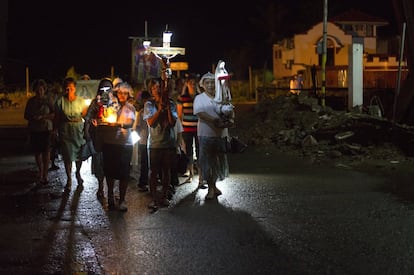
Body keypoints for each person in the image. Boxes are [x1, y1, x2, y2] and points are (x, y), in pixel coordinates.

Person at [193, 72, 234, 200]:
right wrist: (215, 120)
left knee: (217, 162)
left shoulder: (222, 97)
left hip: (220, 135)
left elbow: (230, 110)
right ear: (203, 85)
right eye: (207, 83)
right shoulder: (200, 98)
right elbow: (200, 113)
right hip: (206, 135)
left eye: (212, 82)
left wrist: (231, 120)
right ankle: (210, 187)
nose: (210, 85)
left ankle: (214, 185)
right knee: (208, 162)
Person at [99, 82, 136, 211]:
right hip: (110, 142)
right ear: (116, 93)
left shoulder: (130, 108)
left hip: (125, 143)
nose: (122, 95)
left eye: (125, 93)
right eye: (120, 93)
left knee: (124, 173)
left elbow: (130, 123)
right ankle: (110, 196)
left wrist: (119, 125)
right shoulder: (110, 106)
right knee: (109, 172)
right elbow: (103, 118)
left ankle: (122, 199)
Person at [144, 77, 178, 210]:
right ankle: (153, 198)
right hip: (154, 143)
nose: (156, 89)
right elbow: (151, 122)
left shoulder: (171, 103)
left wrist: (167, 108)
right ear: (151, 90)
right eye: (153, 88)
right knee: (153, 172)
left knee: (166, 171)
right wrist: (159, 110)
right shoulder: (149, 104)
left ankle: (164, 196)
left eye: (159, 87)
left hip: (168, 143)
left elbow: (172, 122)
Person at [54, 77, 88, 188]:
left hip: (78, 131)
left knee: (79, 155)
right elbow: (57, 117)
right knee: (68, 156)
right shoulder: (60, 101)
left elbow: (85, 115)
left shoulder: (81, 101)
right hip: (65, 131)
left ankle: (78, 172)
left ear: (75, 88)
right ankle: (69, 179)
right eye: (67, 89)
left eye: (71, 88)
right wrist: (55, 130)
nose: (69, 91)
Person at [84, 78, 113, 200]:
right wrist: (87, 131)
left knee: (112, 165)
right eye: (103, 88)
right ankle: (101, 187)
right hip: (98, 138)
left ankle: (111, 192)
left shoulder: (114, 102)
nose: (105, 91)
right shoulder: (95, 103)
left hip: (112, 138)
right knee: (99, 163)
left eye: (108, 88)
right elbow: (88, 118)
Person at [24, 79, 55, 184]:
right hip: (35, 129)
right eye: (37, 90)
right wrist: (33, 117)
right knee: (37, 152)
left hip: (46, 129)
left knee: (46, 152)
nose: (39, 92)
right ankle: (40, 171)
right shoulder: (31, 102)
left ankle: (45, 174)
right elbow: (26, 115)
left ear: (44, 90)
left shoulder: (48, 100)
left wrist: (44, 117)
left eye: (41, 90)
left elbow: (54, 114)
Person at [176, 74, 205, 187]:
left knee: (199, 151)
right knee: (189, 152)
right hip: (186, 128)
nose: (192, 85)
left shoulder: (200, 97)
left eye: (194, 83)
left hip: (199, 128)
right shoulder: (182, 98)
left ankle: (201, 178)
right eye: (190, 83)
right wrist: (180, 130)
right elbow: (179, 116)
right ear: (186, 84)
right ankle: (191, 174)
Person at [135, 90, 151, 192]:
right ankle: (143, 182)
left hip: (147, 140)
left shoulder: (144, 111)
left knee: (146, 162)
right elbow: (137, 126)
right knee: (145, 162)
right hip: (144, 140)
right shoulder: (141, 113)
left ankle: (145, 182)